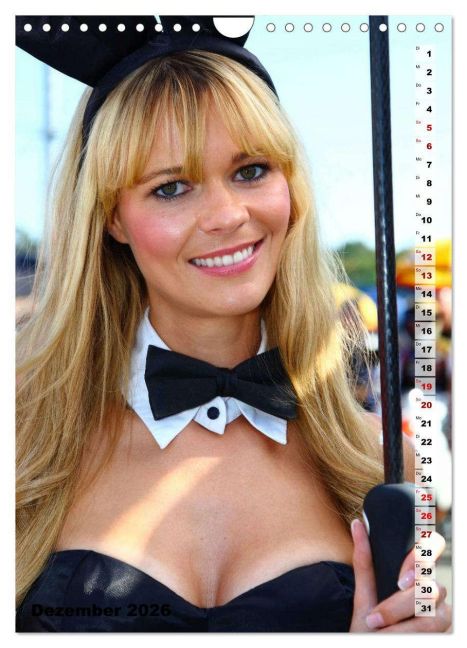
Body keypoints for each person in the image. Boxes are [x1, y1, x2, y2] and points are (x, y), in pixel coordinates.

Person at [16, 17, 451, 633]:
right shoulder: (24, 447)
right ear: (112, 218)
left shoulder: (378, 460)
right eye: (172, 187)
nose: (226, 215)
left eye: (251, 171)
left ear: (290, 187)